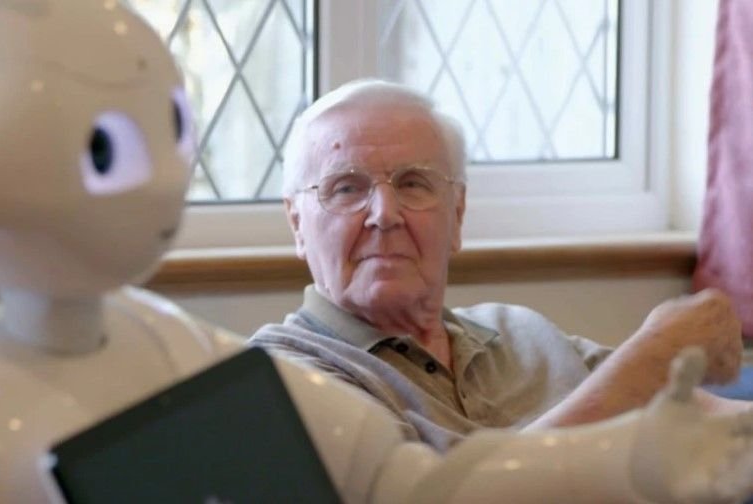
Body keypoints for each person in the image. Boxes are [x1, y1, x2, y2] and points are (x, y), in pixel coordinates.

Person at [249, 79, 747, 451]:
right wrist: (652, 358)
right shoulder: (280, 372)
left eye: (414, 184)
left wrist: (661, 364)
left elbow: (710, 417)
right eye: (346, 188)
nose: (385, 214)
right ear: (297, 224)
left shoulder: (520, 331)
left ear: (458, 214)